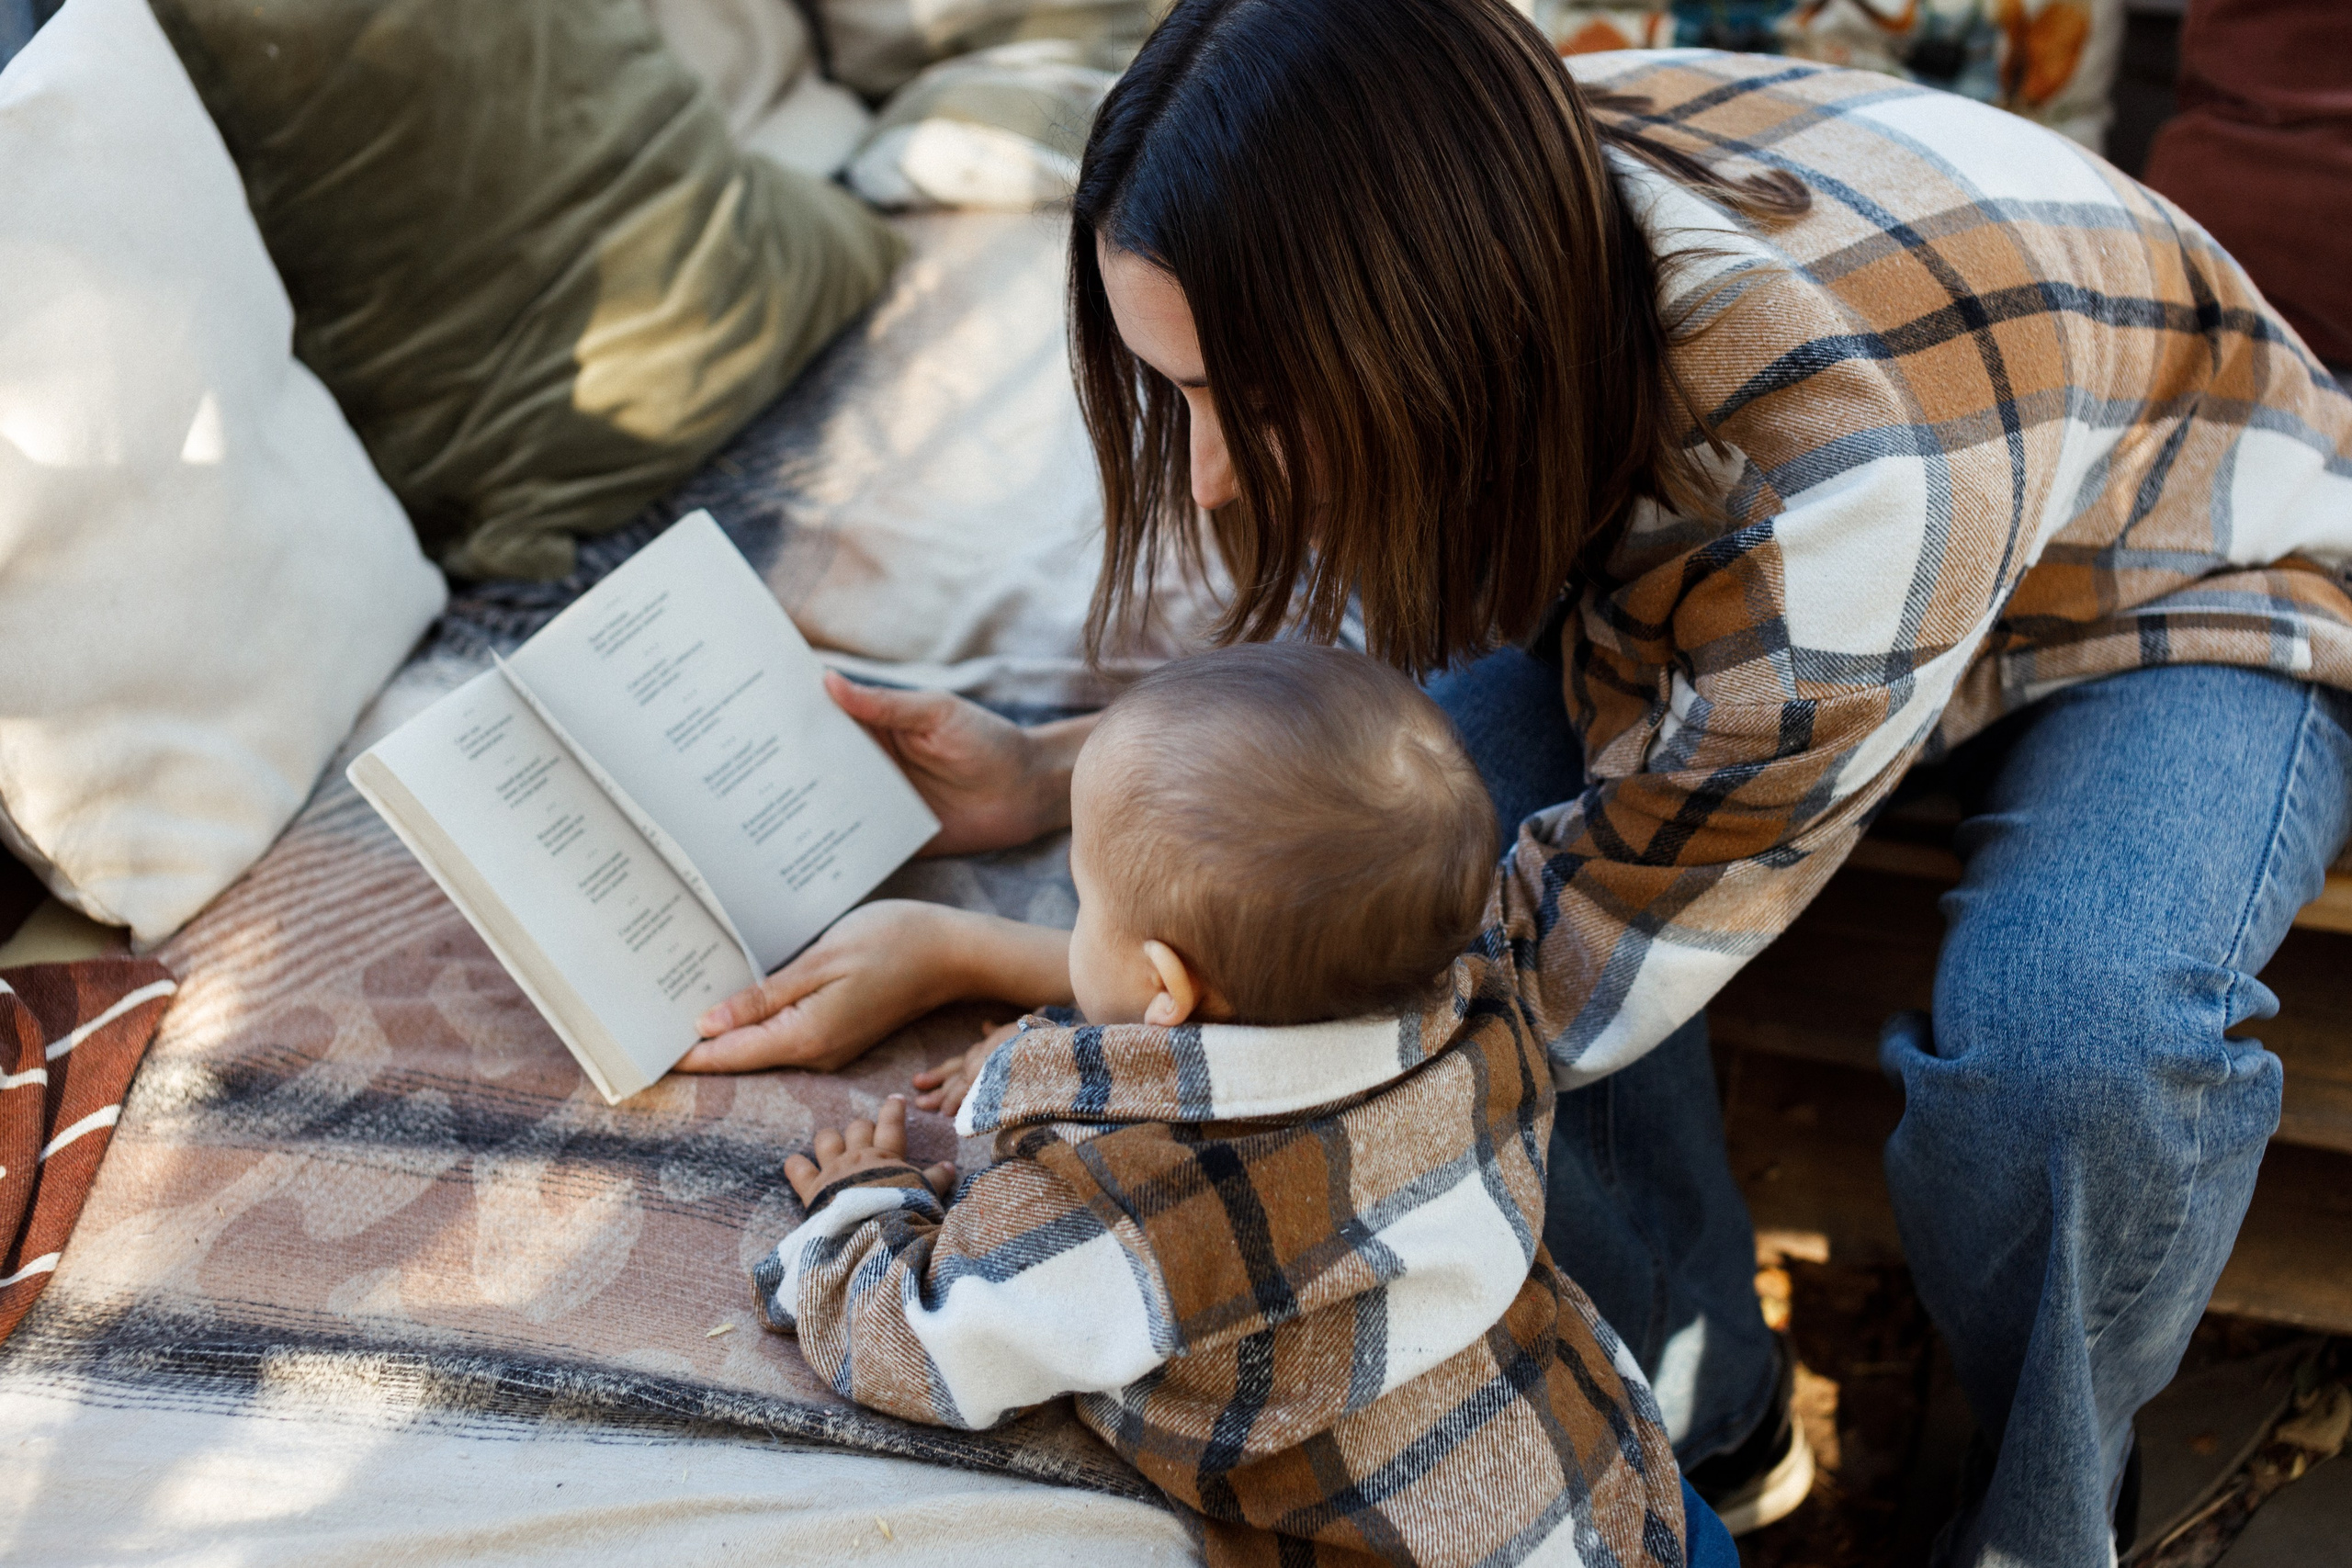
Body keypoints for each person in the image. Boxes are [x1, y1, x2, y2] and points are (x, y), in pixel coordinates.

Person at [685, 2, 2352, 1560]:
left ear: (1417, 334)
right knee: (1440, 819)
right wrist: (1050, 774)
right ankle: (1716, 1427)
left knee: (2074, 1045)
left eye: (1244, 403)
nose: (1204, 479)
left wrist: (986, 959)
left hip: (2184, 580)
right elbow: (1352, 772)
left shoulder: (1840, 484)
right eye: (1175, 392)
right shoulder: (1463, 202)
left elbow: (1510, 989)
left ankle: (2047, 1506)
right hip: (1863, 559)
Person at [756, 643, 1738, 1567]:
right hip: (1632, 1502)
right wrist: (1077, 1047)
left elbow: (922, 1343)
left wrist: (862, 1205)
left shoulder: (1129, 1205)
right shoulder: (1479, 1020)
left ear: (1163, 985)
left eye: (1082, 900)